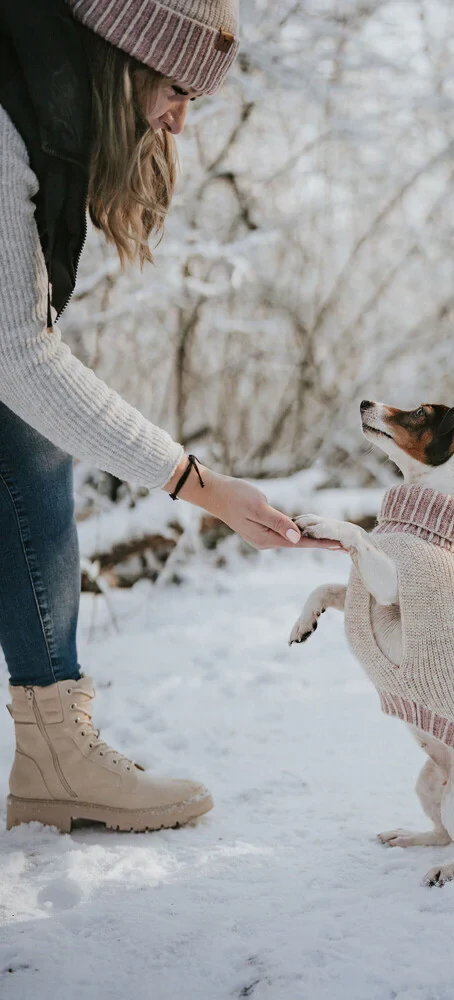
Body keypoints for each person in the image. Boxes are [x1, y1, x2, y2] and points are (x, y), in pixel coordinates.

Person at [0, 0, 335, 833]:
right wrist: (202, 486)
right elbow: (19, 355)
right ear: (121, 59)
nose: (179, 124)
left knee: (30, 435)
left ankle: (53, 754)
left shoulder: (42, 105)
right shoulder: (7, 128)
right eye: (177, 90)